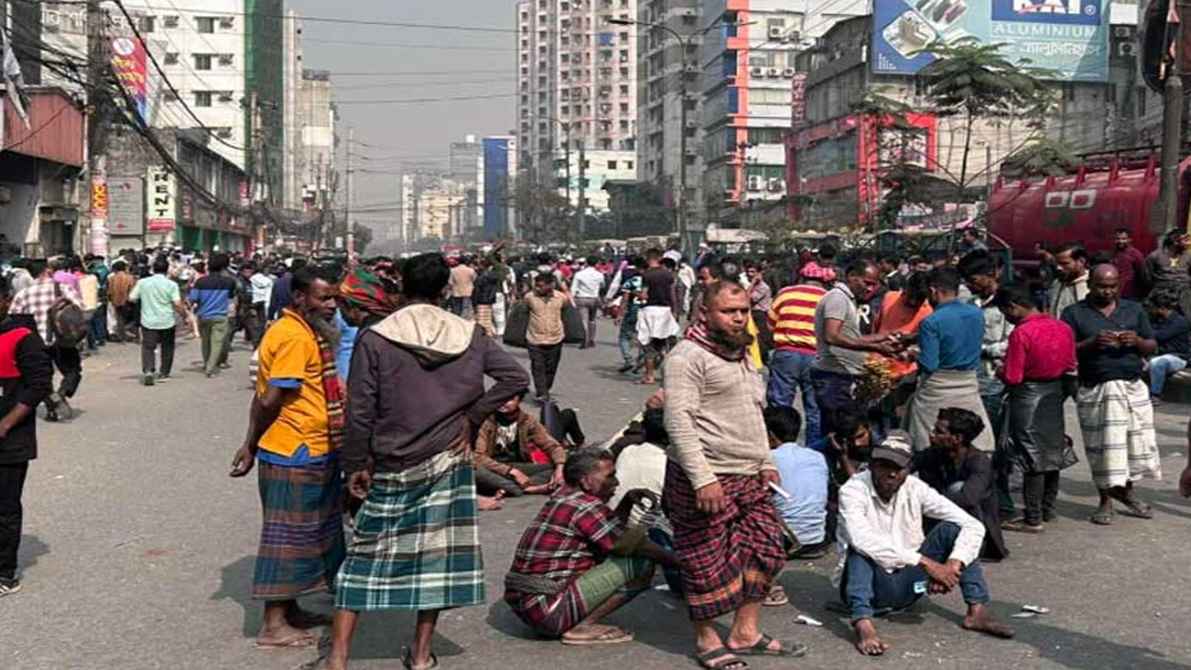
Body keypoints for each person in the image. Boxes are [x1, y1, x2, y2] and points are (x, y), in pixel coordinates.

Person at [325, 253, 529, 670]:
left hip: (389, 458)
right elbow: (514, 377)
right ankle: (420, 654)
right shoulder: (469, 334)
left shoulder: (377, 336)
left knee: (362, 557)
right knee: (436, 561)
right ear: (445, 289)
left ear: (401, 285)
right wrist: (472, 416)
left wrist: (355, 464)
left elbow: (359, 411)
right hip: (446, 459)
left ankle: (338, 658)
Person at [663, 281, 807, 669]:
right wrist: (703, 479)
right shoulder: (686, 357)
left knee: (768, 548)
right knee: (705, 562)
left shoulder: (742, 353)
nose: (739, 317)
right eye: (729, 311)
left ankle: (746, 632)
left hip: (749, 474)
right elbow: (678, 421)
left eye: (743, 310)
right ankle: (706, 639)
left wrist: (765, 461)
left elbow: (754, 411)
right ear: (704, 314)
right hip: (706, 476)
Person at [228, 266, 346, 649]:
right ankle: (273, 624)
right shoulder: (294, 336)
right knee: (289, 539)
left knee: (310, 534)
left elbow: (262, 394)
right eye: (323, 298)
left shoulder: (302, 331)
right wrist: (250, 445)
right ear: (299, 298)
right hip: (295, 451)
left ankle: (290, 608)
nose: (331, 305)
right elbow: (269, 399)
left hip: (309, 448)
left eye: (334, 298)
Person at [839, 432, 1014, 657]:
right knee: (860, 548)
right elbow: (861, 538)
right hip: (871, 588)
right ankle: (863, 623)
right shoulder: (853, 490)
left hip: (909, 584)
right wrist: (928, 564)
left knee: (954, 529)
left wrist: (952, 565)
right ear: (872, 465)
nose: (891, 473)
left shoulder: (915, 487)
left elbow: (972, 525)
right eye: (884, 466)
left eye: (899, 468)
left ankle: (977, 610)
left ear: (908, 469)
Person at [503, 448, 680, 645]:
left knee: (623, 552)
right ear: (586, 481)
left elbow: (608, 534)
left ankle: (573, 618)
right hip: (549, 611)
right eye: (610, 476)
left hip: (529, 607)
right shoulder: (585, 506)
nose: (616, 482)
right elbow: (629, 544)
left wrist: (627, 502)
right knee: (642, 563)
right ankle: (582, 627)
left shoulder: (563, 497)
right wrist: (682, 562)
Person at [1061, 264, 1162, 526]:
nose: (1107, 291)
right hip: (1096, 388)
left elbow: (1152, 344)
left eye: (1112, 286)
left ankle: (1127, 494)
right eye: (1102, 286)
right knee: (1103, 449)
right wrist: (1091, 343)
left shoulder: (1134, 309)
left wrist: (1136, 342)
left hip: (1132, 388)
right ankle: (1105, 500)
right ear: (1090, 285)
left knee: (1131, 446)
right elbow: (1063, 349)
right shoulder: (1074, 313)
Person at [993, 285, 1077, 532]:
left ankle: (1033, 517)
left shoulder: (1021, 333)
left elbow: (1013, 376)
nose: (1007, 319)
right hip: (1054, 393)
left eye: (1006, 313)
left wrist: (1000, 370)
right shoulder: (1062, 327)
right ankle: (1048, 508)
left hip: (1027, 396)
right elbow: (1071, 363)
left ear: (1013, 307)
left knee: (1031, 456)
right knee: (1052, 451)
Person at [0, 276, 53, 598]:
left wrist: (7, 423)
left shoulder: (23, 338)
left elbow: (39, 384)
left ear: (6, 301)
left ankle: (5, 572)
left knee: (4, 508)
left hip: (10, 442)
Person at [907, 267, 994, 452]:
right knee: (975, 440)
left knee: (928, 443)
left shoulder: (931, 322)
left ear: (933, 291)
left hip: (937, 390)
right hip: (969, 385)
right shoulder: (976, 314)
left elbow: (929, 364)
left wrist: (913, 354)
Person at [811, 260, 898, 440]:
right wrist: (874, 346)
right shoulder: (837, 298)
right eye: (867, 283)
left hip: (841, 375)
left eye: (874, 285)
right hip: (833, 375)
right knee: (837, 432)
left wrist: (885, 337)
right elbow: (832, 336)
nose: (870, 289)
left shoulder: (847, 299)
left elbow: (852, 338)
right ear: (852, 276)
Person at [913, 408, 1008, 560]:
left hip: (973, 530)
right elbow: (907, 465)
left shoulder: (979, 462)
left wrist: (922, 501)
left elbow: (967, 499)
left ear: (957, 438)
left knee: (956, 488)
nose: (931, 435)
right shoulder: (935, 454)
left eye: (939, 432)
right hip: (940, 519)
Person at [10, 259, 83, 422]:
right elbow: (79, 307)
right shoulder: (63, 288)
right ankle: (62, 393)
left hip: (34, 342)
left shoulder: (23, 294)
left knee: (43, 378)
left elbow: (14, 317)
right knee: (72, 370)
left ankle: (52, 410)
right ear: (48, 271)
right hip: (61, 339)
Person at [766, 261, 830, 446]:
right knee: (814, 408)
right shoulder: (827, 297)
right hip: (816, 356)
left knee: (780, 403)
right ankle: (813, 449)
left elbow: (770, 323)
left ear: (801, 277)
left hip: (786, 353)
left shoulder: (786, 293)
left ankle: (778, 446)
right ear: (823, 280)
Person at [764, 406, 830, 559]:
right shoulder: (817, 457)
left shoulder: (767, 460)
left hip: (785, 540)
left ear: (770, 435)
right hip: (817, 538)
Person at [473, 392, 567, 497]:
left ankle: (510, 488)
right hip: (491, 467)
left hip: (515, 465)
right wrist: (511, 472)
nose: (503, 403)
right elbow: (478, 457)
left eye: (510, 400)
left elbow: (552, 446)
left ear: (519, 401)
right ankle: (525, 489)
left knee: (559, 468)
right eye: (500, 399)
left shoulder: (527, 421)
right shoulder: (485, 421)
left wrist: (560, 468)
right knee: (476, 472)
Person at [128, 256, 187, 386]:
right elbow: (177, 303)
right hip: (167, 320)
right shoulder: (171, 284)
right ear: (167, 269)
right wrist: (184, 316)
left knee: (148, 347)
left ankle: (148, 370)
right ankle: (164, 372)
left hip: (148, 321)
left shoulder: (143, 282)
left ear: (153, 269)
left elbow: (131, 298)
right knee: (167, 347)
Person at [190, 253, 238, 378]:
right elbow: (231, 296)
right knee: (217, 342)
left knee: (205, 342)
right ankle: (210, 368)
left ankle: (207, 363)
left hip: (203, 315)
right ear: (224, 267)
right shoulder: (229, 282)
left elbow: (193, 298)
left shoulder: (200, 282)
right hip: (220, 316)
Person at [637, 249, 680, 385]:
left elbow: (644, 295)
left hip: (650, 310)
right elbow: (673, 294)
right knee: (665, 342)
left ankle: (649, 376)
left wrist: (637, 294)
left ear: (647, 258)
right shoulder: (668, 274)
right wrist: (675, 310)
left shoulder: (646, 275)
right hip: (665, 310)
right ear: (660, 258)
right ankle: (669, 375)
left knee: (648, 344)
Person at [525, 273, 569, 402]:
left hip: (556, 338)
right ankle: (542, 393)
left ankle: (545, 389)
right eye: (536, 285)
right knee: (538, 366)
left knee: (551, 368)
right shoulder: (529, 297)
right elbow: (523, 313)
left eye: (541, 286)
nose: (537, 288)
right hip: (534, 338)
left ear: (551, 285)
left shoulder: (561, 298)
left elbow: (566, 312)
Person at [1146, 288, 1190, 400]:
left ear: (1161, 308)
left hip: (1177, 358)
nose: (1150, 310)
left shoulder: (1179, 322)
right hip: (1159, 354)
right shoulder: (1157, 319)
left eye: (1153, 307)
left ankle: (1155, 394)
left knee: (1158, 363)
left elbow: (1159, 336)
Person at [1146, 230, 1191, 317]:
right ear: (1175, 241)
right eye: (1185, 240)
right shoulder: (1155, 256)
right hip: (1161, 294)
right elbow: (1147, 276)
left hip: (1185, 296)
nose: (1189, 243)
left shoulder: (1188, 256)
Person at [614, 257, 645, 374]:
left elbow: (625, 299)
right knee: (643, 337)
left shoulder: (631, 281)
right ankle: (641, 358)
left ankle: (628, 359)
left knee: (624, 337)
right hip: (646, 311)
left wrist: (619, 315)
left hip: (633, 311)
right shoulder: (650, 281)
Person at [571, 257, 605, 349]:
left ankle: (584, 339)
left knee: (583, 320)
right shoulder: (599, 274)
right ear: (596, 264)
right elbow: (603, 286)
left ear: (586, 263)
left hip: (582, 298)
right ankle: (591, 339)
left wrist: (572, 300)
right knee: (592, 319)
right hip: (594, 298)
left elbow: (573, 288)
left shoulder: (579, 274)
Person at [1048, 242, 1089, 317]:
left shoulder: (1091, 286)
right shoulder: (1056, 283)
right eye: (1057, 264)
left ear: (1081, 261)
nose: (1058, 268)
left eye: (1064, 263)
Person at [1112, 227, 1149, 300]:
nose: (1120, 241)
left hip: (1130, 295)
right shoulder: (1113, 253)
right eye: (1117, 239)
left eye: (1123, 239)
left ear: (1129, 239)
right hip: (1115, 293)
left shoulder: (1135, 254)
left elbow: (1143, 275)